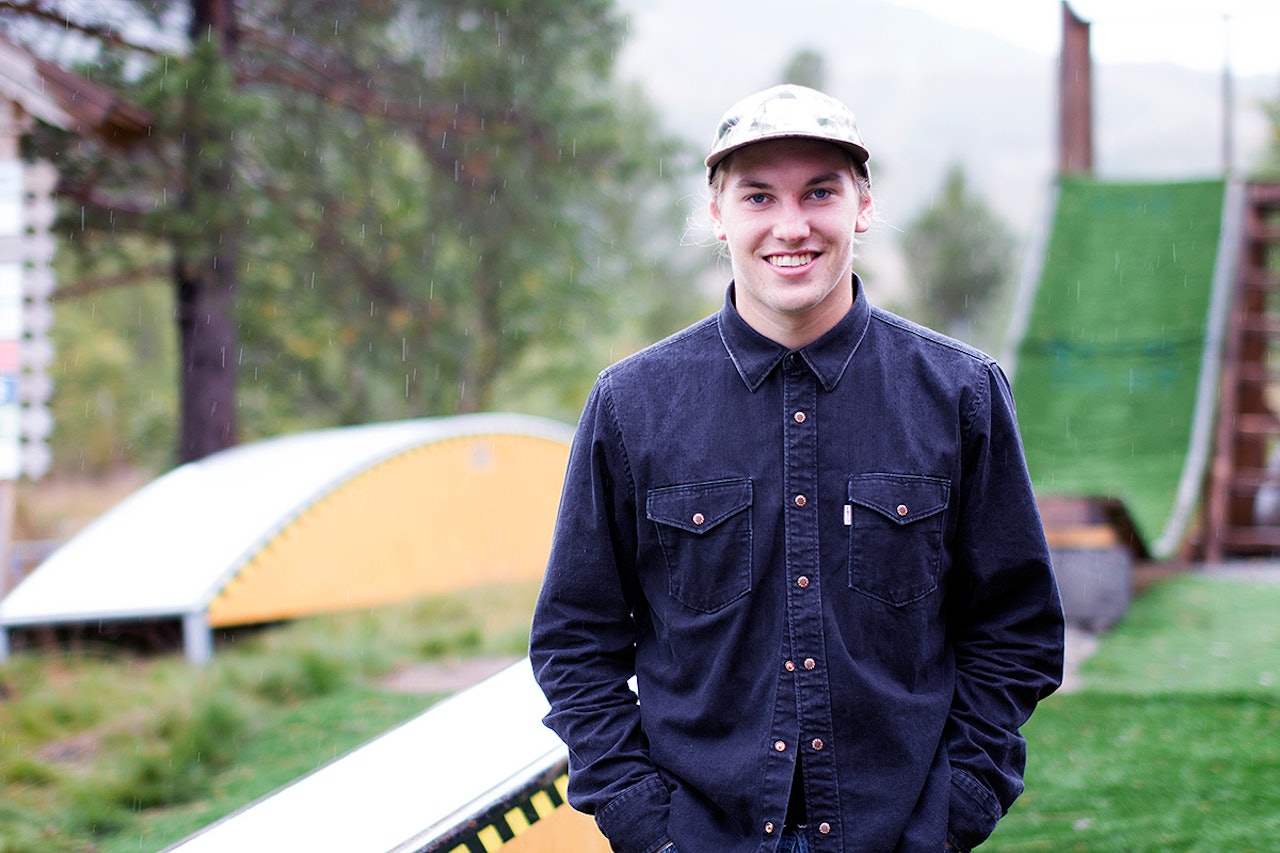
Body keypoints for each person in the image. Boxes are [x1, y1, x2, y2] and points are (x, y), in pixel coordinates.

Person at [529, 84, 1064, 853]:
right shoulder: (632, 404)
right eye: (757, 197)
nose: (791, 225)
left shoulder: (961, 393)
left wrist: (954, 810)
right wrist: (647, 825)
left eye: (820, 192)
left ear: (863, 205)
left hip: (900, 831)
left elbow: (1017, 631)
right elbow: (575, 642)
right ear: (718, 215)